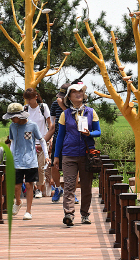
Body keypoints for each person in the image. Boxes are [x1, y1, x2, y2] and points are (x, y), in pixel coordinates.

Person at [53, 81, 101, 226]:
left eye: (80, 92)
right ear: (69, 97)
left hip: (87, 154)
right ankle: (69, 214)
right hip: (69, 153)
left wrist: (89, 133)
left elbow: (98, 132)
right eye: (74, 92)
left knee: (86, 186)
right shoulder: (64, 114)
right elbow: (60, 136)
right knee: (68, 185)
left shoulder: (91, 112)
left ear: (84, 95)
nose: (78, 94)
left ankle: (85, 214)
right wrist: (56, 156)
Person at [4, 102, 49, 220]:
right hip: (17, 160)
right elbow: (12, 142)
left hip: (31, 160)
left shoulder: (32, 126)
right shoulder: (12, 126)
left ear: (20, 116)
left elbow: (42, 140)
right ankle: (18, 202)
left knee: (29, 185)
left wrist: (47, 155)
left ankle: (28, 211)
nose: (12, 119)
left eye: (13, 117)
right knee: (16, 186)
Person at [23, 88, 51, 198]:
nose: (28, 101)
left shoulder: (43, 107)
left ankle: (39, 189)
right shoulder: (25, 109)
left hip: (43, 140)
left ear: (35, 97)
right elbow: (24, 126)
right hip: (29, 142)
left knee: (41, 166)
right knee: (30, 167)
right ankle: (33, 188)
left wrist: (47, 139)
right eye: (26, 99)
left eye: (30, 99)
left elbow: (50, 124)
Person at [43, 82, 69, 202]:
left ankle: (70, 192)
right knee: (54, 165)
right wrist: (43, 141)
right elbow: (52, 126)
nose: (61, 98)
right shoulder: (55, 104)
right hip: (58, 139)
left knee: (73, 167)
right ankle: (58, 188)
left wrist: (63, 107)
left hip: (71, 141)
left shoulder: (76, 106)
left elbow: (74, 120)